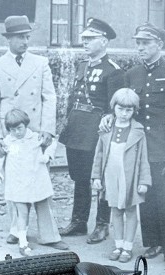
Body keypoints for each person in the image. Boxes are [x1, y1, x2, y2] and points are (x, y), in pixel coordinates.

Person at [0, 15, 57, 247]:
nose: (25, 41)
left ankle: (49, 235)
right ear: (9, 39)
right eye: (20, 37)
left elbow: (49, 98)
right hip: (10, 133)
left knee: (42, 184)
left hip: (34, 132)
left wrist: (48, 130)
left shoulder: (40, 62)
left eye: (27, 36)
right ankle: (16, 230)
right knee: (13, 184)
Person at [123, 23, 165, 271]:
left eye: (145, 43)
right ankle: (153, 242)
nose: (140, 47)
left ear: (159, 44)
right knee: (146, 197)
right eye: (137, 42)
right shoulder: (132, 74)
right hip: (141, 149)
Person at [58, 18, 125, 244]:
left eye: (90, 39)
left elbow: (114, 106)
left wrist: (108, 122)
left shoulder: (113, 70)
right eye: (84, 38)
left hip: (97, 131)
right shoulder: (82, 65)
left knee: (100, 178)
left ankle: (102, 225)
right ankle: (78, 222)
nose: (84, 42)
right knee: (80, 177)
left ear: (104, 42)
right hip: (77, 128)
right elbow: (72, 99)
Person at [0, 109, 68, 256]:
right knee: (21, 212)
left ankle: (50, 237)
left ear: (26, 125)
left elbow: (52, 142)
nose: (17, 132)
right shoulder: (8, 141)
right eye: (13, 130)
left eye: (19, 128)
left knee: (43, 205)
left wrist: (47, 156)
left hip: (37, 180)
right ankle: (22, 241)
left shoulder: (35, 137)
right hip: (18, 183)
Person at [91, 88, 151, 263]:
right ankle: (118, 245)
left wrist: (144, 181)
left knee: (131, 211)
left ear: (134, 110)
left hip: (130, 178)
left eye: (128, 110)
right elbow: (99, 155)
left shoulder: (138, 131)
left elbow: (143, 158)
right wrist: (96, 177)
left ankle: (128, 247)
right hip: (111, 176)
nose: (124, 114)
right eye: (120, 109)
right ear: (113, 108)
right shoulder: (106, 129)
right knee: (115, 210)